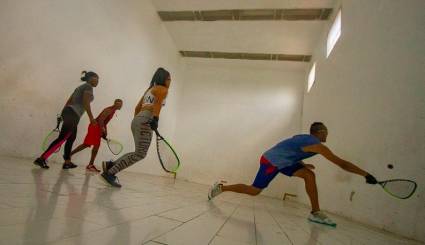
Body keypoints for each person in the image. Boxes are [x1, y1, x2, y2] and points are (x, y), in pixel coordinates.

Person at [208, 122, 378, 226]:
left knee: (309, 175)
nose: (327, 134)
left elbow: (290, 149)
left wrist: (303, 164)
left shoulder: (304, 138)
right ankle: (221, 187)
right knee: (255, 191)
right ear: (319, 132)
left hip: (285, 161)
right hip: (271, 161)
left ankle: (315, 213)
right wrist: (365, 174)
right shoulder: (317, 145)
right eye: (325, 131)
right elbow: (341, 163)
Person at [100, 68, 170, 187]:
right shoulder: (163, 89)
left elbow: (137, 108)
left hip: (137, 120)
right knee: (140, 154)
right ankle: (110, 173)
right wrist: (155, 119)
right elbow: (157, 104)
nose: (170, 81)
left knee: (138, 152)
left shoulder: (149, 90)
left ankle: (110, 165)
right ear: (163, 79)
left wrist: (139, 121)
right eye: (169, 78)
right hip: (146, 120)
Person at [33, 71, 98, 169]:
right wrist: (91, 118)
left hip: (69, 112)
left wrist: (62, 114)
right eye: (96, 78)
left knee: (71, 138)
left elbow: (69, 100)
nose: (98, 81)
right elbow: (86, 103)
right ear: (91, 78)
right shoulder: (88, 87)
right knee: (63, 137)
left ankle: (67, 161)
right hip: (73, 114)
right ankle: (42, 158)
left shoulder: (80, 87)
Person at [70, 99, 123, 172]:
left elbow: (104, 122)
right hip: (95, 126)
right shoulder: (109, 110)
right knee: (89, 145)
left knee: (91, 145)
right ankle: (88, 164)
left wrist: (105, 131)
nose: (120, 106)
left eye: (121, 105)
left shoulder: (113, 111)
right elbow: (101, 119)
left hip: (96, 126)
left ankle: (87, 163)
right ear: (115, 104)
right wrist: (102, 130)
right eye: (119, 104)